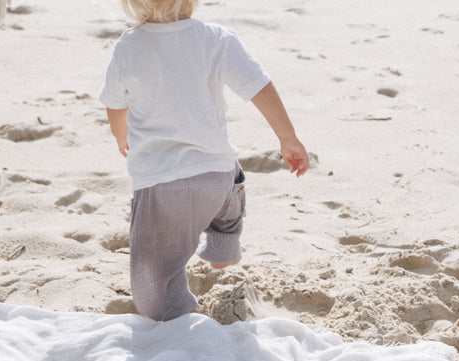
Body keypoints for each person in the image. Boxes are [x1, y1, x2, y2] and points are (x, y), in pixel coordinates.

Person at [100, 0, 310, 321]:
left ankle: (178, 318)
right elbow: (259, 86)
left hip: (163, 189)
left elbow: (115, 105)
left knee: (154, 284)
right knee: (225, 191)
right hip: (221, 178)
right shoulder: (216, 38)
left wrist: (120, 135)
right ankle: (225, 241)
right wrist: (287, 137)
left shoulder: (129, 46)